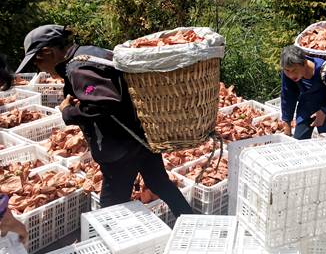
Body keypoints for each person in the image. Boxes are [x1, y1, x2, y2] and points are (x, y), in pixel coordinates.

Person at [15, 24, 193, 216]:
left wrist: (69, 112)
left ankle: (117, 242)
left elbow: (105, 102)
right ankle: (192, 220)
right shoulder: (88, 52)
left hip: (120, 149)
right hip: (142, 136)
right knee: (159, 183)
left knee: (111, 205)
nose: (37, 67)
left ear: (47, 52)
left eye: (36, 61)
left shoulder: (77, 68)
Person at [280, 45, 326, 149]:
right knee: (299, 142)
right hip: (308, 107)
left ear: (304, 63)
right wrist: (287, 121)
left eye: (294, 70)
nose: (291, 75)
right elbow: (288, 95)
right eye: (287, 70)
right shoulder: (288, 73)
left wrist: (325, 111)